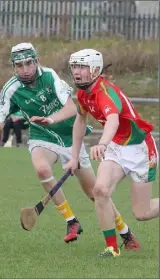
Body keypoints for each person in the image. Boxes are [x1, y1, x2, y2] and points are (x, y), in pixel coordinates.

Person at [0, 42, 139, 248]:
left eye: (29, 63)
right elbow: (0, 118)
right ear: (14, 67)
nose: (25, 69)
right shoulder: (10, 89)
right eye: (19, 65)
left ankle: (125, 232)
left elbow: (71, 109)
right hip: (42, 136)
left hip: (70, 138)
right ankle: (71, 221)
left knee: (95, 193)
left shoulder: (49, 76)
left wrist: (50, 118)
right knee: (41, 169)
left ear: (37, 61)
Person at [65, 48, 159, 257]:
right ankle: (112, 248)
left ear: (95, 69)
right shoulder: (82, 93)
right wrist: (73, 157)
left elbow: (113, 121)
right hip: (117, 146)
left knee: (142, 213)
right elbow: (80, 122)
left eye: (82, 67)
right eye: (74, 67)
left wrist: (102, 143)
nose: (77, 72)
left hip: (140, 149)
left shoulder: (104, 93)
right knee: (100, 191)